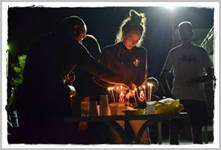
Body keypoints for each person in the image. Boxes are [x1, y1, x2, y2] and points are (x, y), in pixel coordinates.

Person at [15, 16, 130, 144]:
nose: (81, 42)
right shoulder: (71, 44)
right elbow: (98, 70)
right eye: (82, 37)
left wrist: (64, 77)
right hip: (50, 104)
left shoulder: (40, 41)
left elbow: (40, 71)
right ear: (75, 30)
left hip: (26, 100)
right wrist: (124, 80)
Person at [99, 9, 151, 144]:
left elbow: (142, 77)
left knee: (143, 137)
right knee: (118, 138)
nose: (134, 43)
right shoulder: (108, 52)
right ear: (123, 34)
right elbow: (98, 77)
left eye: (137, 40)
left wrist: (135, 86)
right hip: (114, 102)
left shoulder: (141, 52)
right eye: (131, 39)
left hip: (135, 102)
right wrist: (117, 85)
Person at [159, 21, 215, 144]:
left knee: (197, 135)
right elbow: (162, 76)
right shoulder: (174, 52)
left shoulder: (201, 52)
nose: (183, 34)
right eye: (181, 32)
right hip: (178, 99)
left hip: (197, 98)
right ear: (179, 34)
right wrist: (170, 96)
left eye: (185, 31)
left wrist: (195, 80)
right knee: (174, 135)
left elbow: (211, 75)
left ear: (191, 33)